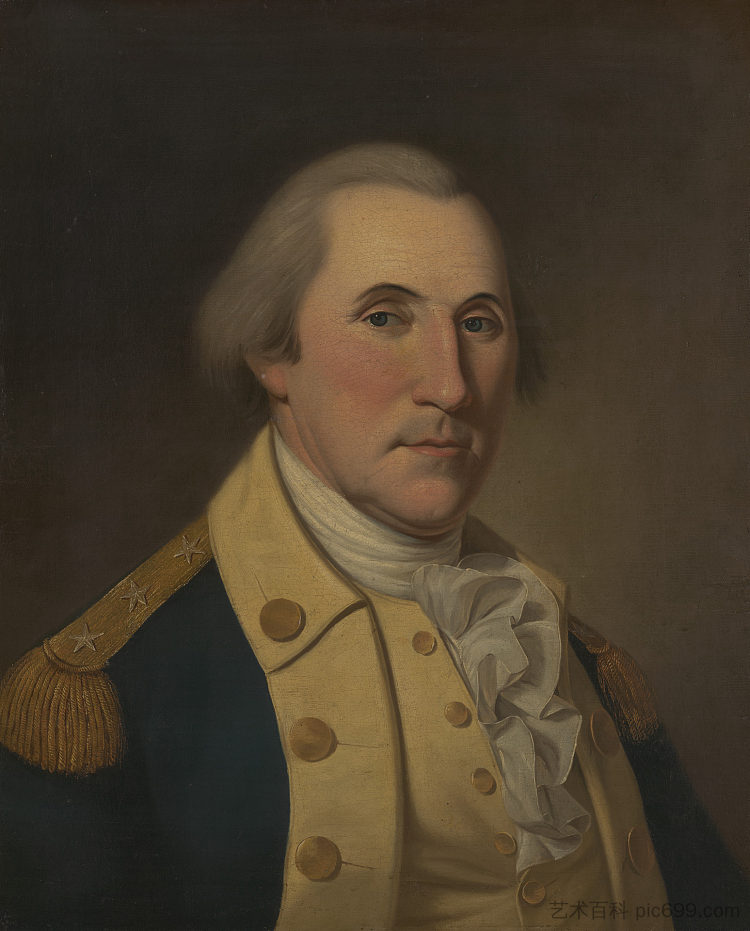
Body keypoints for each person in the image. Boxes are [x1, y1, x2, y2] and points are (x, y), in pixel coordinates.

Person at [0, 144, 746, 930]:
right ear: (271, 352)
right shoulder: (115, 690)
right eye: (385, 316)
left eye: (479, 322)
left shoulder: (581, 665)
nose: (451, 384)